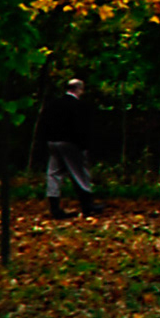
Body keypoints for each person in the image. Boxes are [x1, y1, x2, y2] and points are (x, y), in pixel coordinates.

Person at [39, 73, 106, 219]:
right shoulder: (78, 106)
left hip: (52, 142)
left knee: (54, 173)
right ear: (79, 89)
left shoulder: (53, 104)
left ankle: (54, 207)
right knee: (80, 173)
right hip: (70, 143)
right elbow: (81, 128)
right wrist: (84, 146)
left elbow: (44, 123)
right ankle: (87, 205)